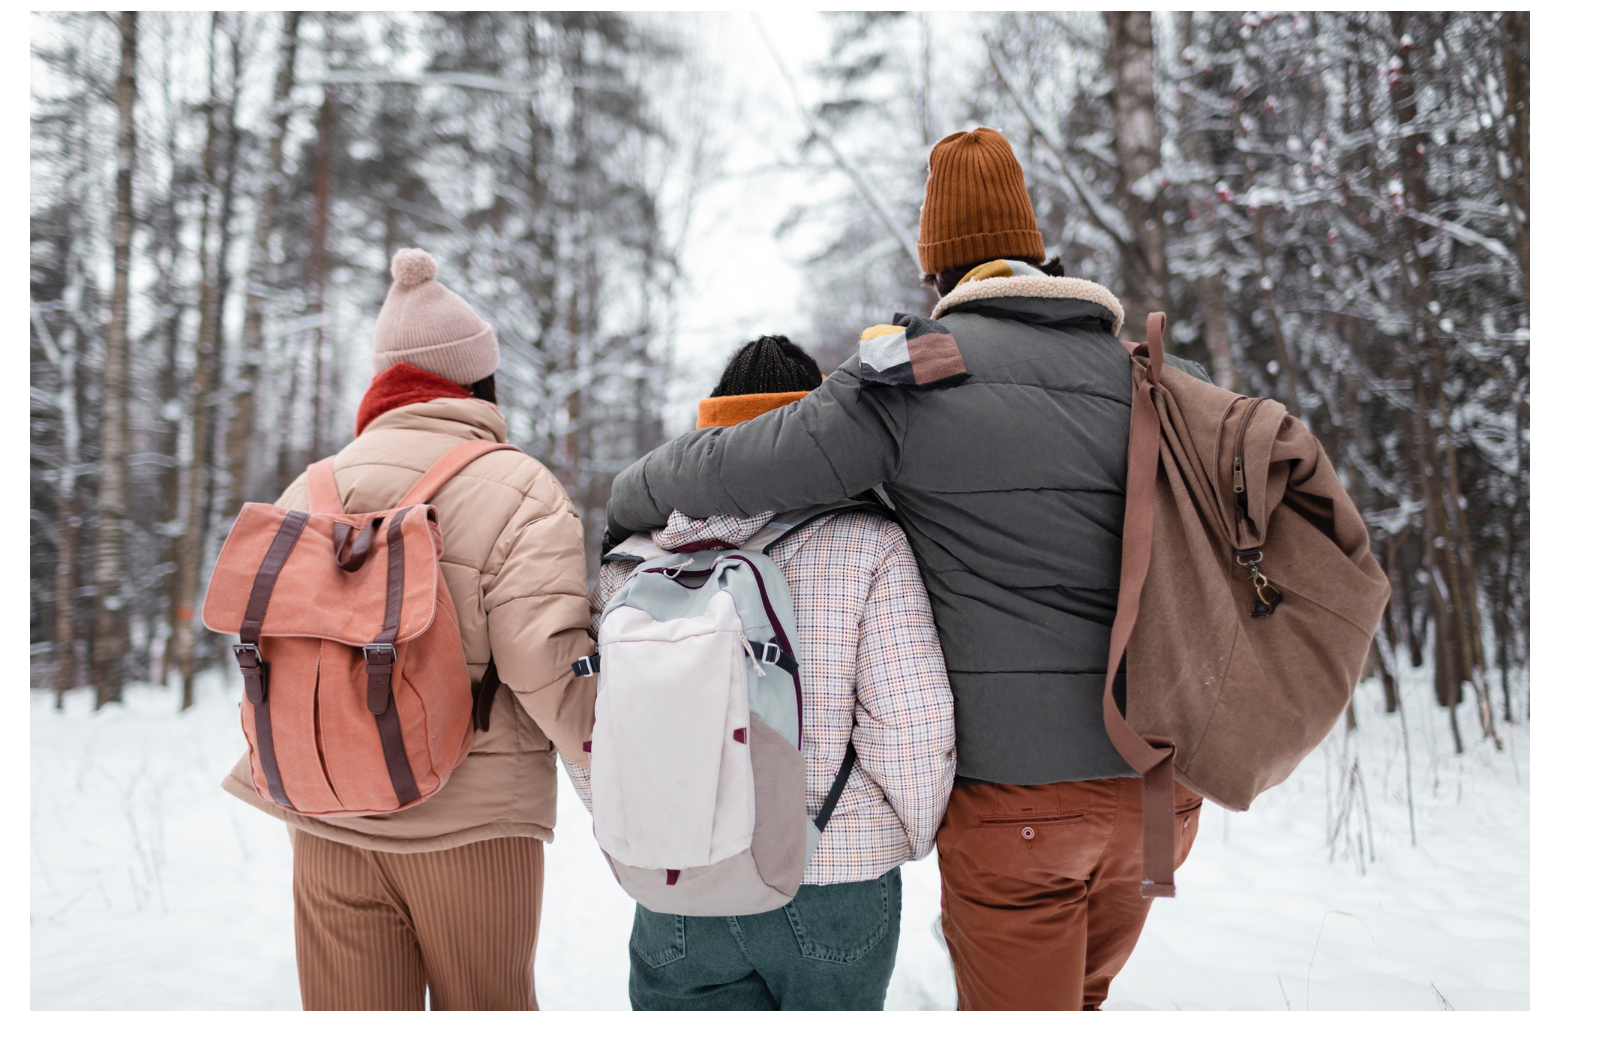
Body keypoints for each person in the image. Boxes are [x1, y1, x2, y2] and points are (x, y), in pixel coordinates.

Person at [603, 129, 1210, 1011]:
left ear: (936, 268)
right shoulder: (1158, 378)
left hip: (1019, 805)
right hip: (1160, 799)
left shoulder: (920, 373)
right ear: (1038, 254)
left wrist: (635, 494)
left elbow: (751, 462)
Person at [221, 248, 596, 1011]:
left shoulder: (308, 487)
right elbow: (543, 660)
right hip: (469, 824)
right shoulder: (517, 484)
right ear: (478, 380)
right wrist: (622, 761)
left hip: (323, 815)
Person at [568, 335, 956, 1011]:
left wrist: (637, 819)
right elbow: (911, 723)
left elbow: (592, 725)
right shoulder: (868, 541)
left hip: (679, 871)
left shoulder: (630, 559)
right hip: (833, 873)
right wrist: (898, 836)